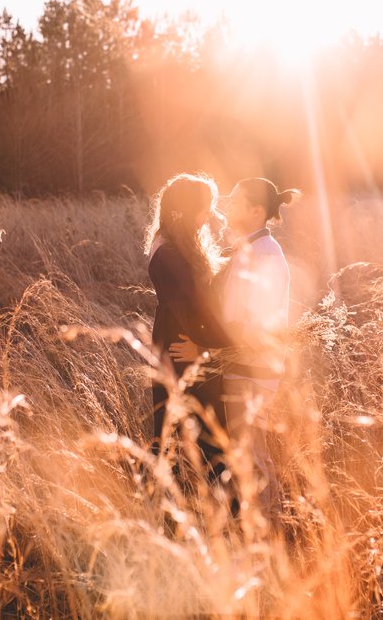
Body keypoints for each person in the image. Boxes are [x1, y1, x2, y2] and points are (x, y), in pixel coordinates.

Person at [170, 177, 300, 515]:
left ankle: (268, 543)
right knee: (242, 459)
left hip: (252, 374)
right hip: (237, 370)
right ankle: (249, 539)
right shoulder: (247, 249)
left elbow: (253, 329)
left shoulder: (267, 257)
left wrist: (203, 352)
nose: (226, 207)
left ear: (256, 211)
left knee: (254, 462)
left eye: (235, 201)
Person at [144, 173, 233, 463]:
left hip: (183, 343)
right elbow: (195, 307)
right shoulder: (169, 254)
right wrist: (223, 348)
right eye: (204, 207)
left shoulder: (178, 242)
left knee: (190, 434)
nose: (209, 214)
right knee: (194, 437)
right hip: (182, 349)